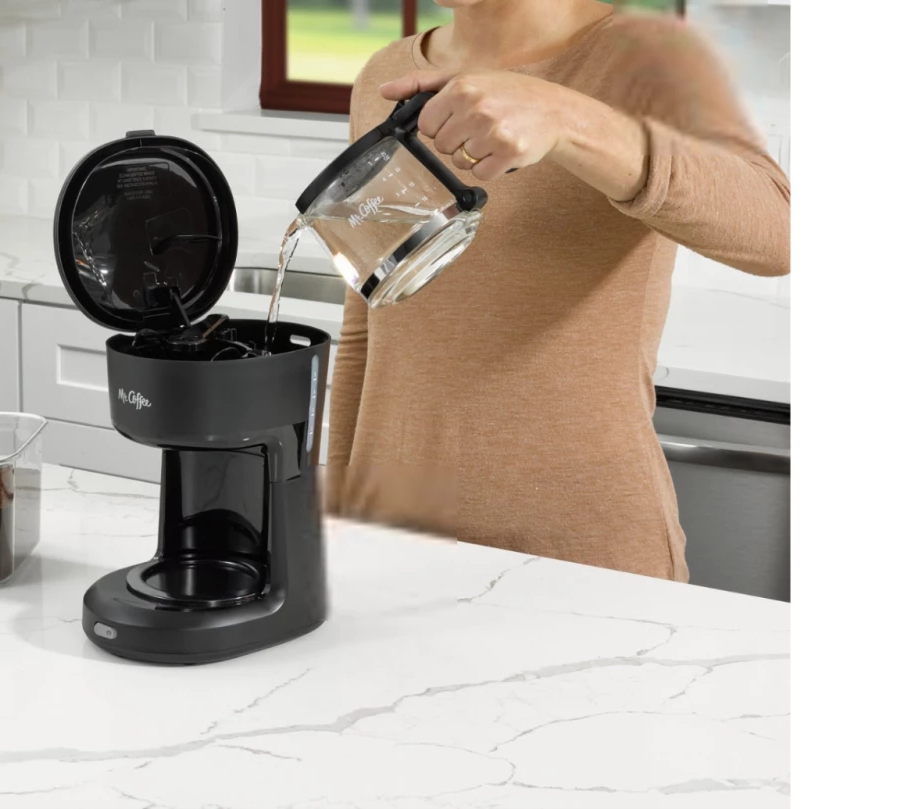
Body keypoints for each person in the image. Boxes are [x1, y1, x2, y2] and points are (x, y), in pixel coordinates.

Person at [323, 0, 790, 581]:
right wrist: (339, 512)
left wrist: (567, 118)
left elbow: (778, 233)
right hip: (395, 540)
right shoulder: (385, 74)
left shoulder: (648, 58)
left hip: (582, 552)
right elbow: (367, 323)